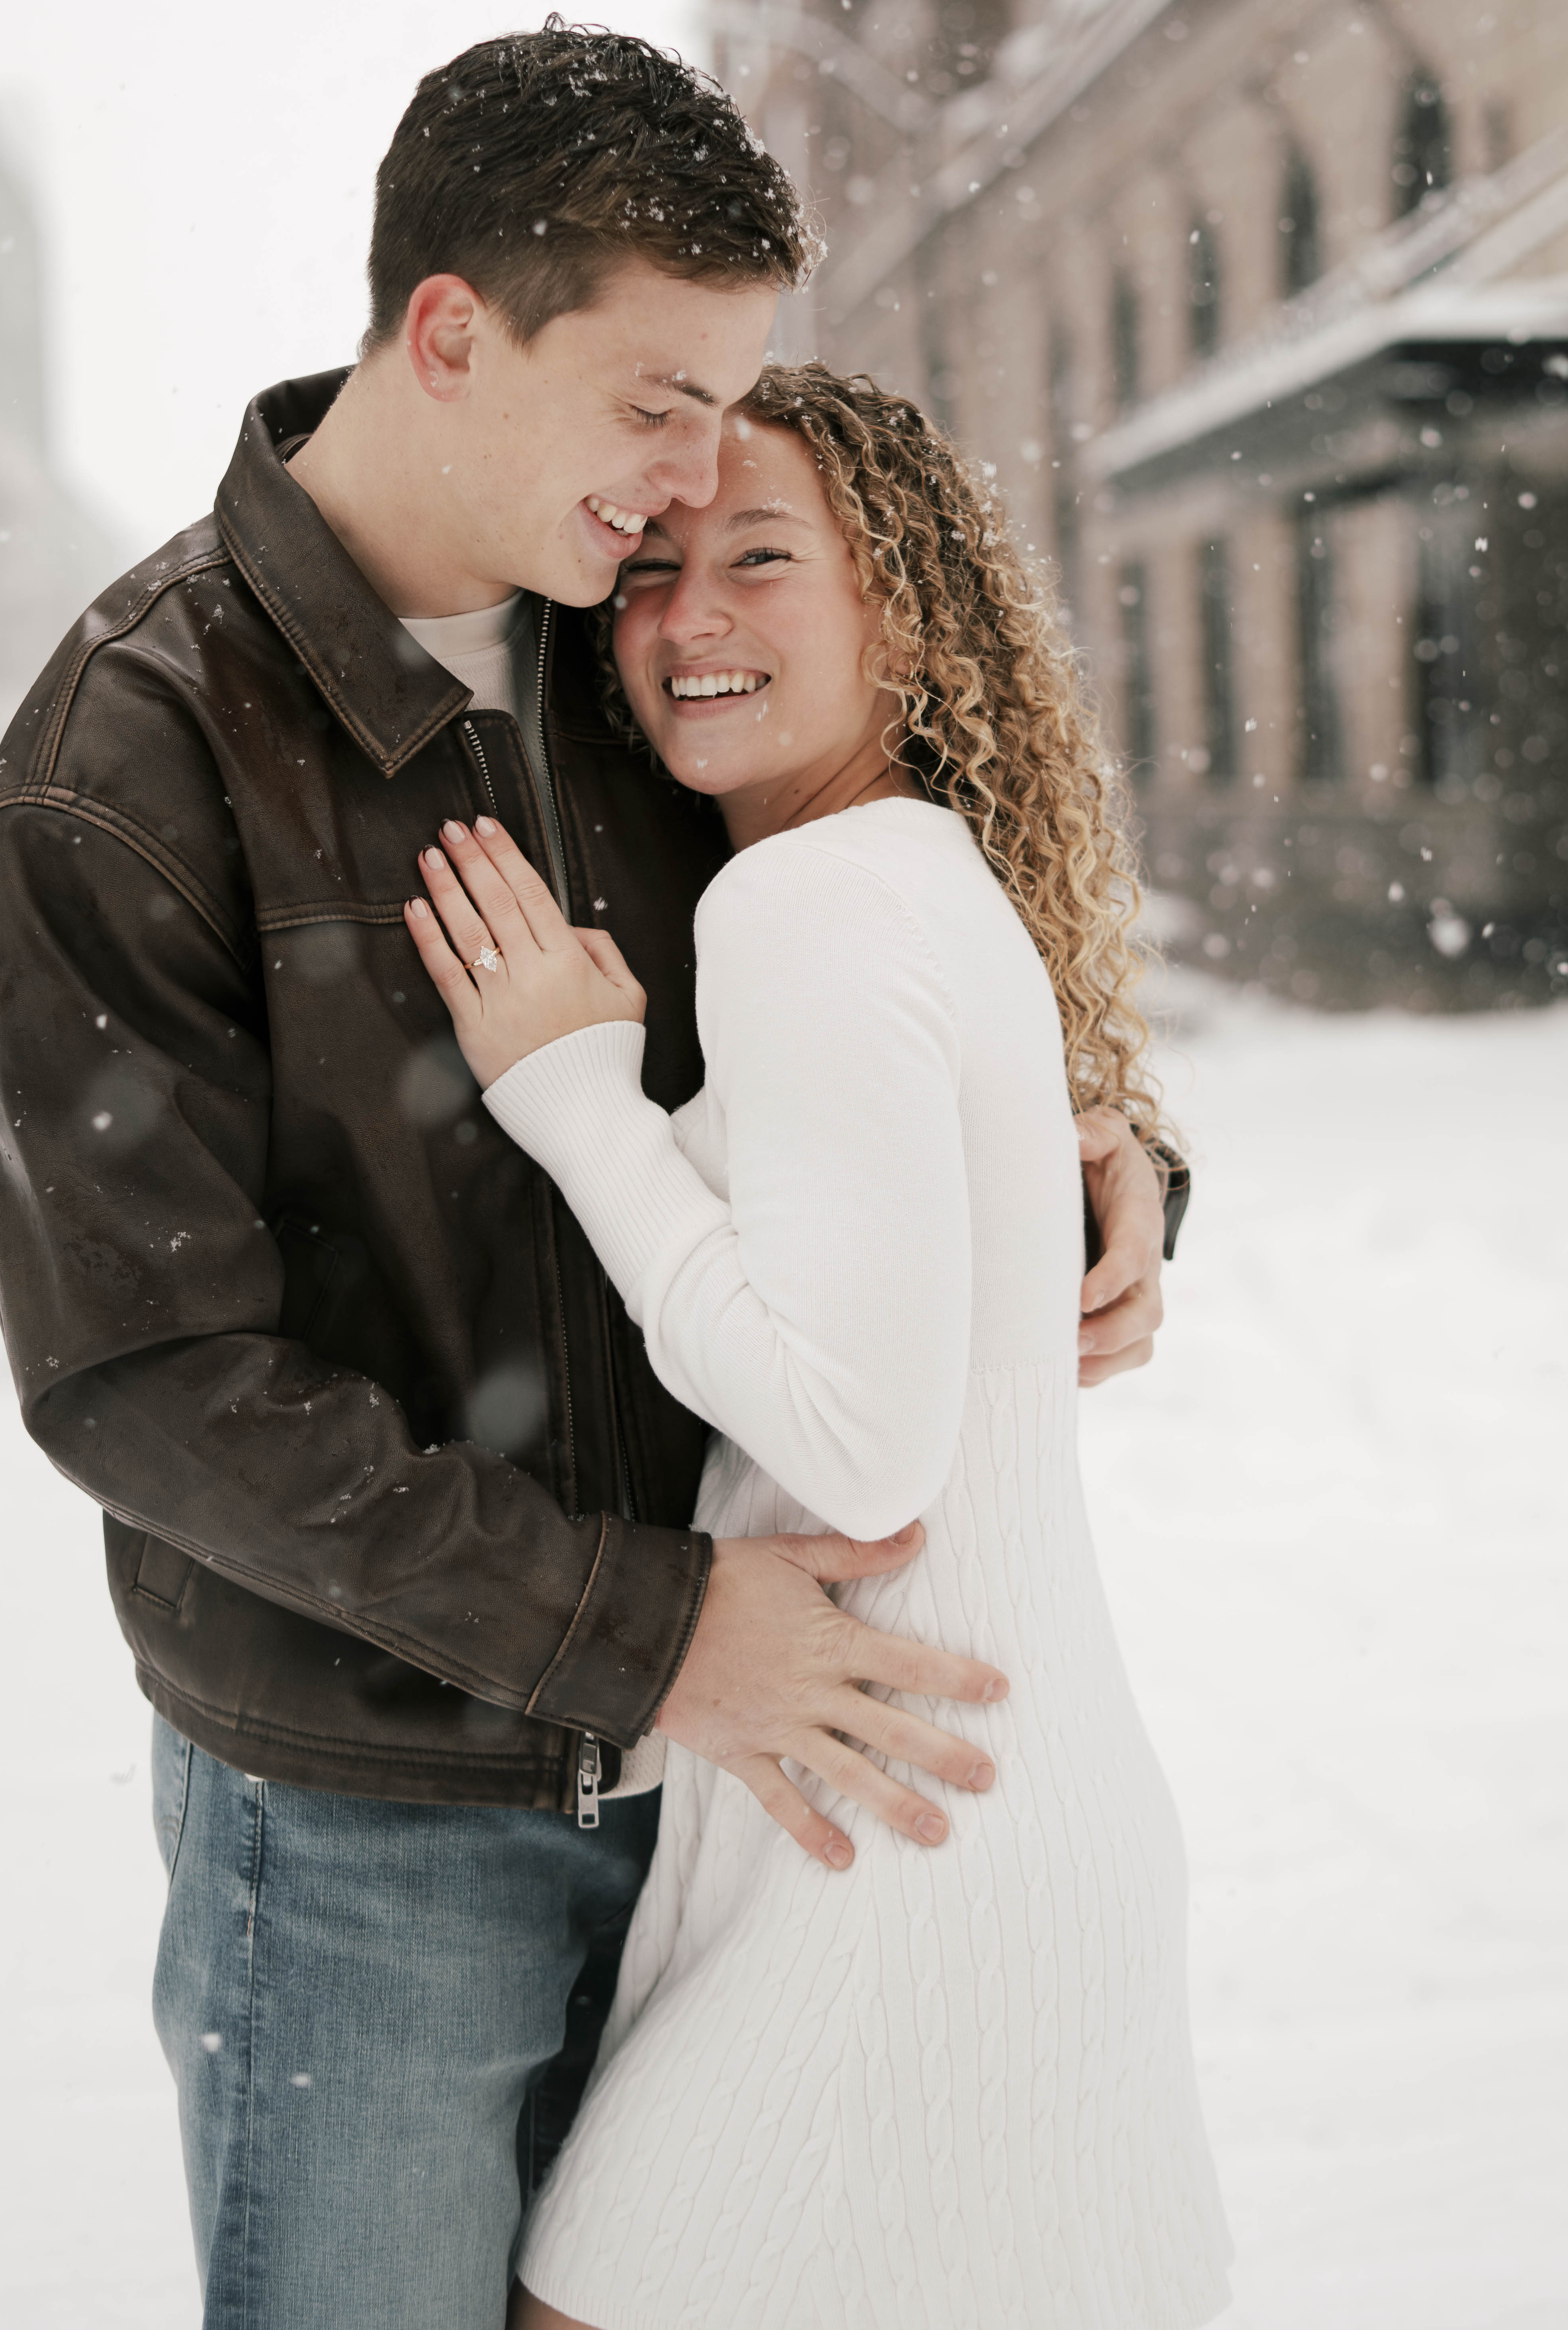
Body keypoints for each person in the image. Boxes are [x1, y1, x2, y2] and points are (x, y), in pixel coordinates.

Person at [0, 25, 1175, 2328]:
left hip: (741, 1813)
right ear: (448, 337)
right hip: (373, 1836)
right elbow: (149, 1377)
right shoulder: (129, 755)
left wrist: (1106, 1158)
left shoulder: (639, 661)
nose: (693, 478)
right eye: (652, 403)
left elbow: (879, 967)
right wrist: (644, 1635)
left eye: (731, 407)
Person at [405, 364, 1233, 2329]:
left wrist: (573, 1093)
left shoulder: (807, 906)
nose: (689, 619)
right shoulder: (914, 875)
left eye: (762, 558)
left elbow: (855, 1447)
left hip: (907, 1857)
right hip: (969, 1809)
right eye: (651, 569)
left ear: (903, 604)